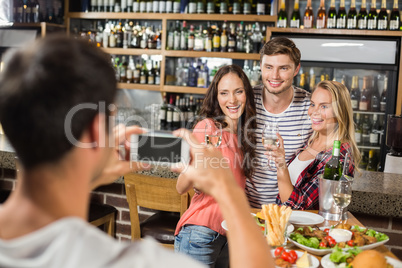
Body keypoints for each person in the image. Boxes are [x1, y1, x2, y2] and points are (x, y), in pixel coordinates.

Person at [0, 36, 274, 268]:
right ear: (97, 132)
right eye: (112, 113)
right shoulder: (135, 261)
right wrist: (228, 191)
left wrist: (90, 170)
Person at [174, 64, 257, 267]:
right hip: (200, 234)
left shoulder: (245, 137)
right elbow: (181, 187)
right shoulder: (208, 128)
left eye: (238, 91)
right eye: (224, 93)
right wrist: (200, 160)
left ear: (246, 94)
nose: (232, 100)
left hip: (229, 236)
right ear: (217, 97)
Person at [268, 81, 360, 210]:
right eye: (312, 104)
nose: (313, 112)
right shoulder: (312, 140)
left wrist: (281, 166)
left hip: (307, 229)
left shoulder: (338, 157)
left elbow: (300, 206)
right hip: (287, 225)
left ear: (340, 111)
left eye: (324, 106)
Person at [246, 37, 313, 208]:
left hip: (285, 212)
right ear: (260, 66)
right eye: (269, 67)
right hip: (243, 209)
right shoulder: (245, 101)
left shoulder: (311, 108)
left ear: (296, 69)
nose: (274, 76)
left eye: (283, 68)